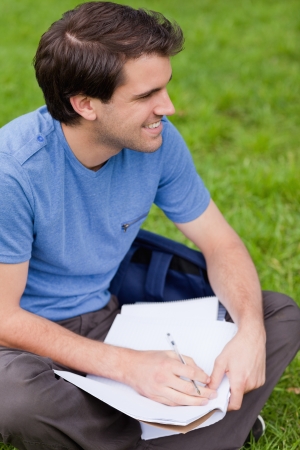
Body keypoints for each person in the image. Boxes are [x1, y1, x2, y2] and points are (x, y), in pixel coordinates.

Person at [0, 2, 299, 450]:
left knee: (277, 314)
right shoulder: (14, 171)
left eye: (165, 87)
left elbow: (220, 244)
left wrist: (252, 334)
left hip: (110, 314)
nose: (169, 107)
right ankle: (203, 428)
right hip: (25, 344)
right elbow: (5, 317)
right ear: (85, 104)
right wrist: (127, 366)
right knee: (15, 400)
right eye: (146, 96)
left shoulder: (156, 142)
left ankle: (154, 428)